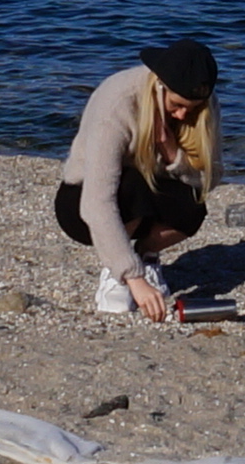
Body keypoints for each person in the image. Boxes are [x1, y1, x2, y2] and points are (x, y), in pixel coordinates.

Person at [53, 35, 221, 320]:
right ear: (160, 86)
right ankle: (117, 272)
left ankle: (146, 255)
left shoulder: (203, 103)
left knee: (193, 204)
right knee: (132, 186)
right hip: (81, 201)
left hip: (149, 192)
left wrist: (172, 154)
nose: (183, 115)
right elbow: (96, 203)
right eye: (177, 105)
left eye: (191, 108)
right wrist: (134, 278)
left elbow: (209, 179)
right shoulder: (119, 103)